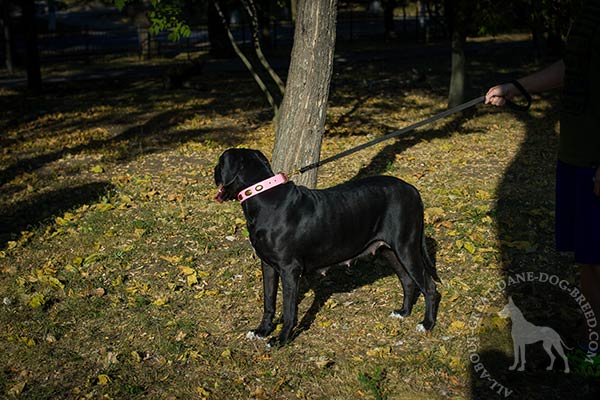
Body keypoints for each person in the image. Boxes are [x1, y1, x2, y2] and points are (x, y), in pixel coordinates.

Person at [485, 0, 600, 349]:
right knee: (589, 261)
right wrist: (516, 87)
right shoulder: (587, 12)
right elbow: (573, 66)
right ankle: (596, 342)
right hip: (576, 155)